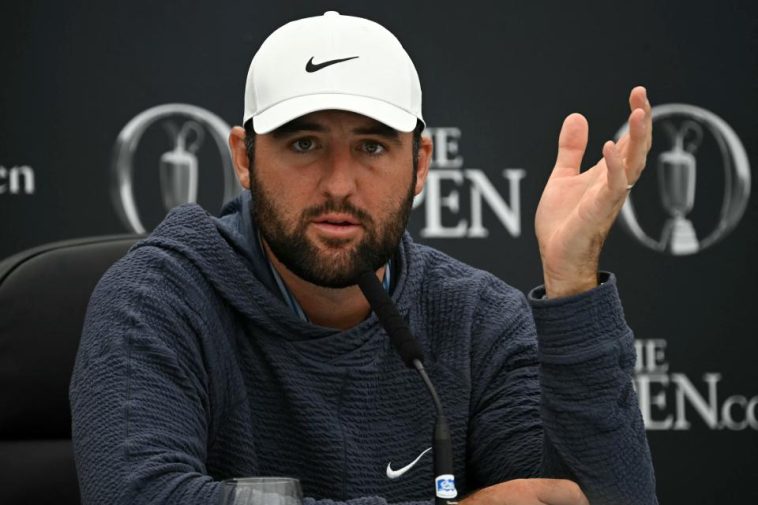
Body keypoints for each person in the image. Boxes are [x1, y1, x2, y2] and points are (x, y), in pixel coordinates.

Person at [70, 11, 657, 505]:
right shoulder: (158, 298)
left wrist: (573, 284)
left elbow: (582, 497)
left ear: (420, 162)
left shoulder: (480, 321)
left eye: (371, 146)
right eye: (304, 143)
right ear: (244, 159)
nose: (339, 185)